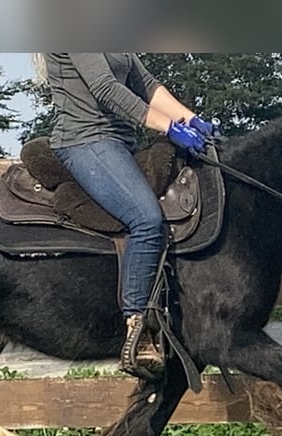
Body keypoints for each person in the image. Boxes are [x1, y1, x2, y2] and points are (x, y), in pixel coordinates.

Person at [34, 53, 216, 380]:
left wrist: (193, 120)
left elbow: (147, 85)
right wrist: (169, 127)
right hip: (86, 140)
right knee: (146, 219)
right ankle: (138, 327)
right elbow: (105, 88)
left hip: (120, 144)